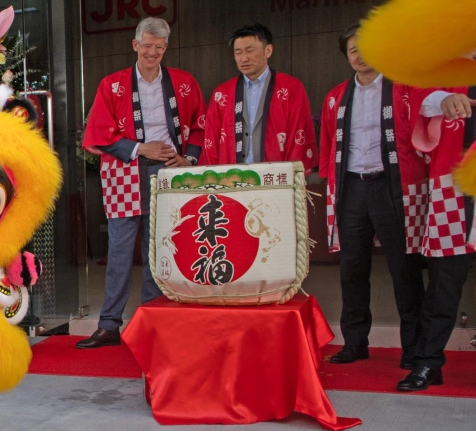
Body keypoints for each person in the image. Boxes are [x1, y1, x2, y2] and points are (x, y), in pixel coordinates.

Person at [77, 18, 206, 349]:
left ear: (166, 48)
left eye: (159, 47)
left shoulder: (184, 83)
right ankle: (109, 324)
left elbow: (200, 126)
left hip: (168, 173)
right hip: (124, 171)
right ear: (135, 45)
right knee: (119, 249)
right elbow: (98, 133)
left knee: (159, 249)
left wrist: (188, 159)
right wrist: (139, 148)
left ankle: (152, 319)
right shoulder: (113, 84)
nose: (152, 53)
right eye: (147, 46)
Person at [320, 25, 434, 368]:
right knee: (352, 269)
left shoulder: (404, 89)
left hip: (393, 185)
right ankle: (355, 343)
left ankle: (413, 347)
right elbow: (327, 147)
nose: (360, 55)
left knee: (405, 268)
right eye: (353, 50)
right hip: (351, 186)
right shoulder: (335, 96)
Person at [395, 84, 476, 391]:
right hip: (456, 187)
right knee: (444, 282)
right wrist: (444, 99)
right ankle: (428, 362)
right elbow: (419, 100)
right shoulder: (453, 66)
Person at [201, 23, 317, 169]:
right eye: (238, 52)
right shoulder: (222, 93)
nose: (244, 59)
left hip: (275, 176)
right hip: (232, 177)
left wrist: (291, 176)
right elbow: (211, 140)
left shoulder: (291, 87)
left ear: (268, 50)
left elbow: (299, 134)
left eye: (250, 51)